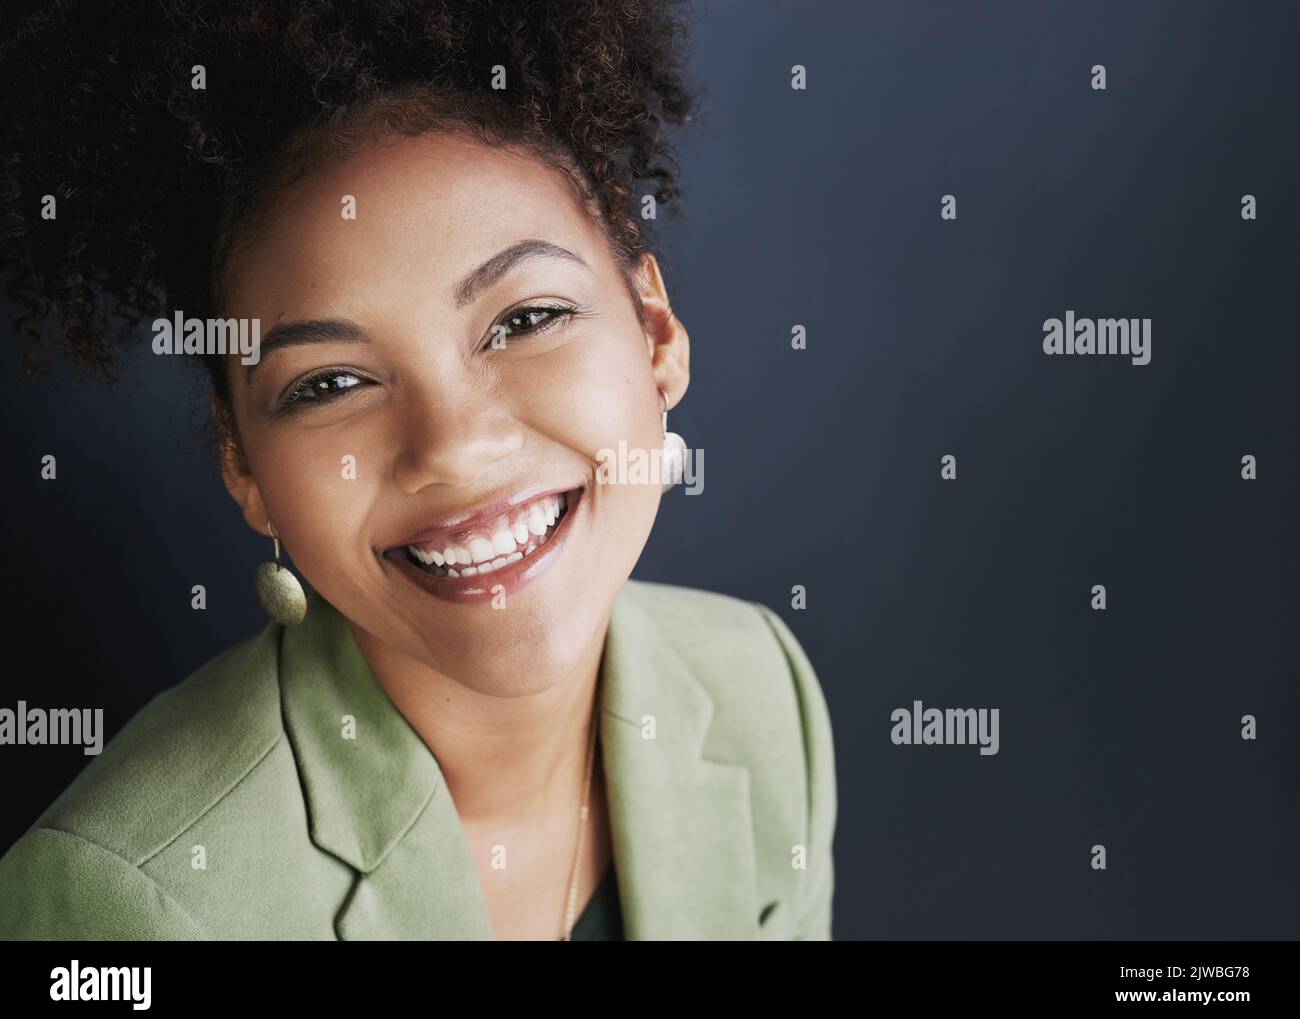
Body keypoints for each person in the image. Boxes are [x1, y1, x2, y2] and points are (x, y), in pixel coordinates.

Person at [0, 0, 836, 940]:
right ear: (242, 464)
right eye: (331, 383)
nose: (453, 446)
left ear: (654, 331)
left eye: (526, 320)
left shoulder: (764, 692)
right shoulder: (127, 904)